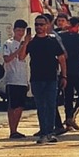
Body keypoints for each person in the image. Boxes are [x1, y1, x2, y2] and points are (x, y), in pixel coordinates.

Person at [24, 14, 67, 144]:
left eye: (41, 24)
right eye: (36, 24)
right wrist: (25, 42)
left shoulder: (52, 41)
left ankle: (49, 133)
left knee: (51, 106)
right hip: (36, 78)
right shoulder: (32, 42)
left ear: (47, 26)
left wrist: (64, 76)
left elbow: (62, 59)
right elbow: (21, 57)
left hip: (51, 78)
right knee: (41, 107)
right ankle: (43, 132)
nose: (39, 27)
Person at [0, 20, 32, 138]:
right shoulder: (8, 43)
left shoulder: (25, 44)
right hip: (12, 79)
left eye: (22, 31)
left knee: (20, 106)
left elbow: (23, 58)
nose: (20, 33)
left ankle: (15, 129)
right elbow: (7, 59)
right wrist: (21, 47)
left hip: (22, 79)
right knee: (12, 106)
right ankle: (12, 130)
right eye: (18, 30)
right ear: (14, 30)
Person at [58, 12, 79, 132]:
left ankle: (68, 121)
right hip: (78, 70)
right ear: (78, 25)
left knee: (68, 97)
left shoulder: (61, 36)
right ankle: (71, 116)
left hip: (65, 70)